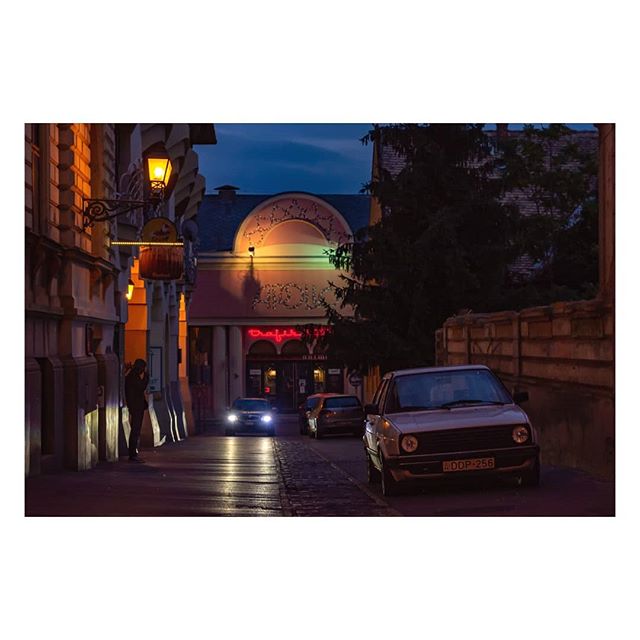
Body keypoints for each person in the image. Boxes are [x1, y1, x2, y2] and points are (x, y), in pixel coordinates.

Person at [125, 359, 149, 462]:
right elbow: (141, 387)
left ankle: (133, 452)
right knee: (135, 430)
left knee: (136, 430)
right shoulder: (133, 377)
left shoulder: (132, 376)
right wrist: (146, 378)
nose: (143, 371)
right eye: (142, 368)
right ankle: (132, 454)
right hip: (136, 407)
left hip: (136, 406)